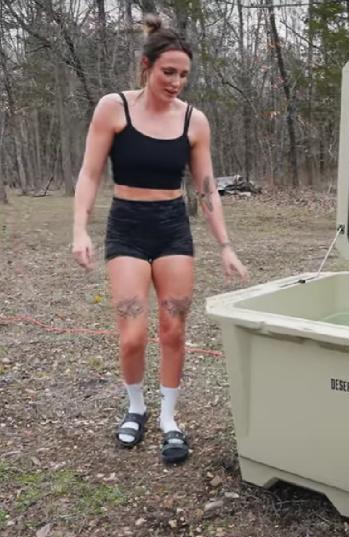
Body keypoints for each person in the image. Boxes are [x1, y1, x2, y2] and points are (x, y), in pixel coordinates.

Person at [71, 14, 248, 464]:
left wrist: (225, 245)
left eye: (184, 74)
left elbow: (206, 188)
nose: (176, 82)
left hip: (172, 227)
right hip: (127, 225)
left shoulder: (194, 120)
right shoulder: (114, 108)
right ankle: (136, 408)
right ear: (146, 66)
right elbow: (90, 173)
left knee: (173, 329)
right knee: (132, 334)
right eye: (168, 71)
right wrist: (79, 229)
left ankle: (170, 419)